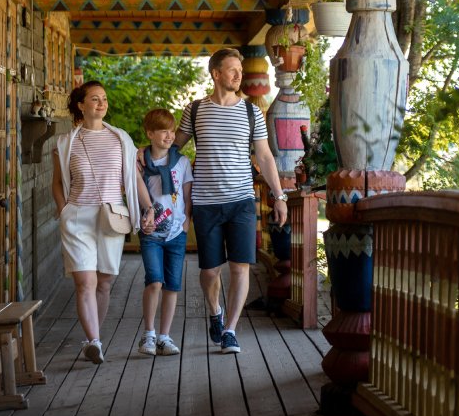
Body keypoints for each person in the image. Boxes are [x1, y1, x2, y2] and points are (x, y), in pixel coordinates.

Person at [175, 48, 288, 354]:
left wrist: (279, 196)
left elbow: (265, 156)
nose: (239, 75)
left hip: (241, 201)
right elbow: (173, 149)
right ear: (216, 74)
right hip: (205, 202)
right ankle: (215, 312)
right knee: (210, 271)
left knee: (240, 268)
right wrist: (145, 158)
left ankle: (230, 330)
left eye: (240, 69)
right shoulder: (195, 111)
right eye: (232, 70)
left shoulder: (252, 112)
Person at [52, 81, 154, 364]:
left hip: (112, 216)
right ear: (81, 105)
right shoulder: (65, 143)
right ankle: (94, 341)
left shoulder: (121, 139)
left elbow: (134, 178)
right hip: (77, 217)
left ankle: (92, 338)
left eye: (104, 99)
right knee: (85, 282)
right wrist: (63, 210)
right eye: (95, 99)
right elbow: (57, 183)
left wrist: (148, 207)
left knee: (104, 283)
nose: (101, 103)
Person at [136, 108, 193, 356]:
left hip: (176, 233)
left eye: (171, 131)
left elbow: (188, 196)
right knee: (154, 281)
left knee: (172, 285)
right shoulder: (140, 162)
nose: (169, 136)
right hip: (151, 233)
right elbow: (134, 195)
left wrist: (187, 222)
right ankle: (148, 334)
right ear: (150, 134)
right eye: (163, 131)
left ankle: (164, 337)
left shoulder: (181, 162)